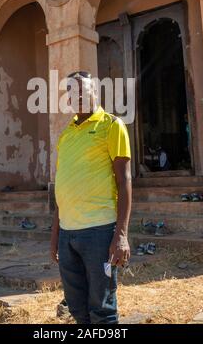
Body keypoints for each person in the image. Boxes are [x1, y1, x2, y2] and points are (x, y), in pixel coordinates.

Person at [50, 71, 132, 325]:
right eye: (72, 92)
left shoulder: (111, 125)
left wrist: (121, 235)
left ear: (95, 92)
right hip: (67, 235)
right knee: (76, 308)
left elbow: (124, 180)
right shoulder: (66, 135)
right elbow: (63, 188)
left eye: (83, 90)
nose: (78, 96)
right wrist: (55, 237)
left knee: (102, 310)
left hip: (99, 232)